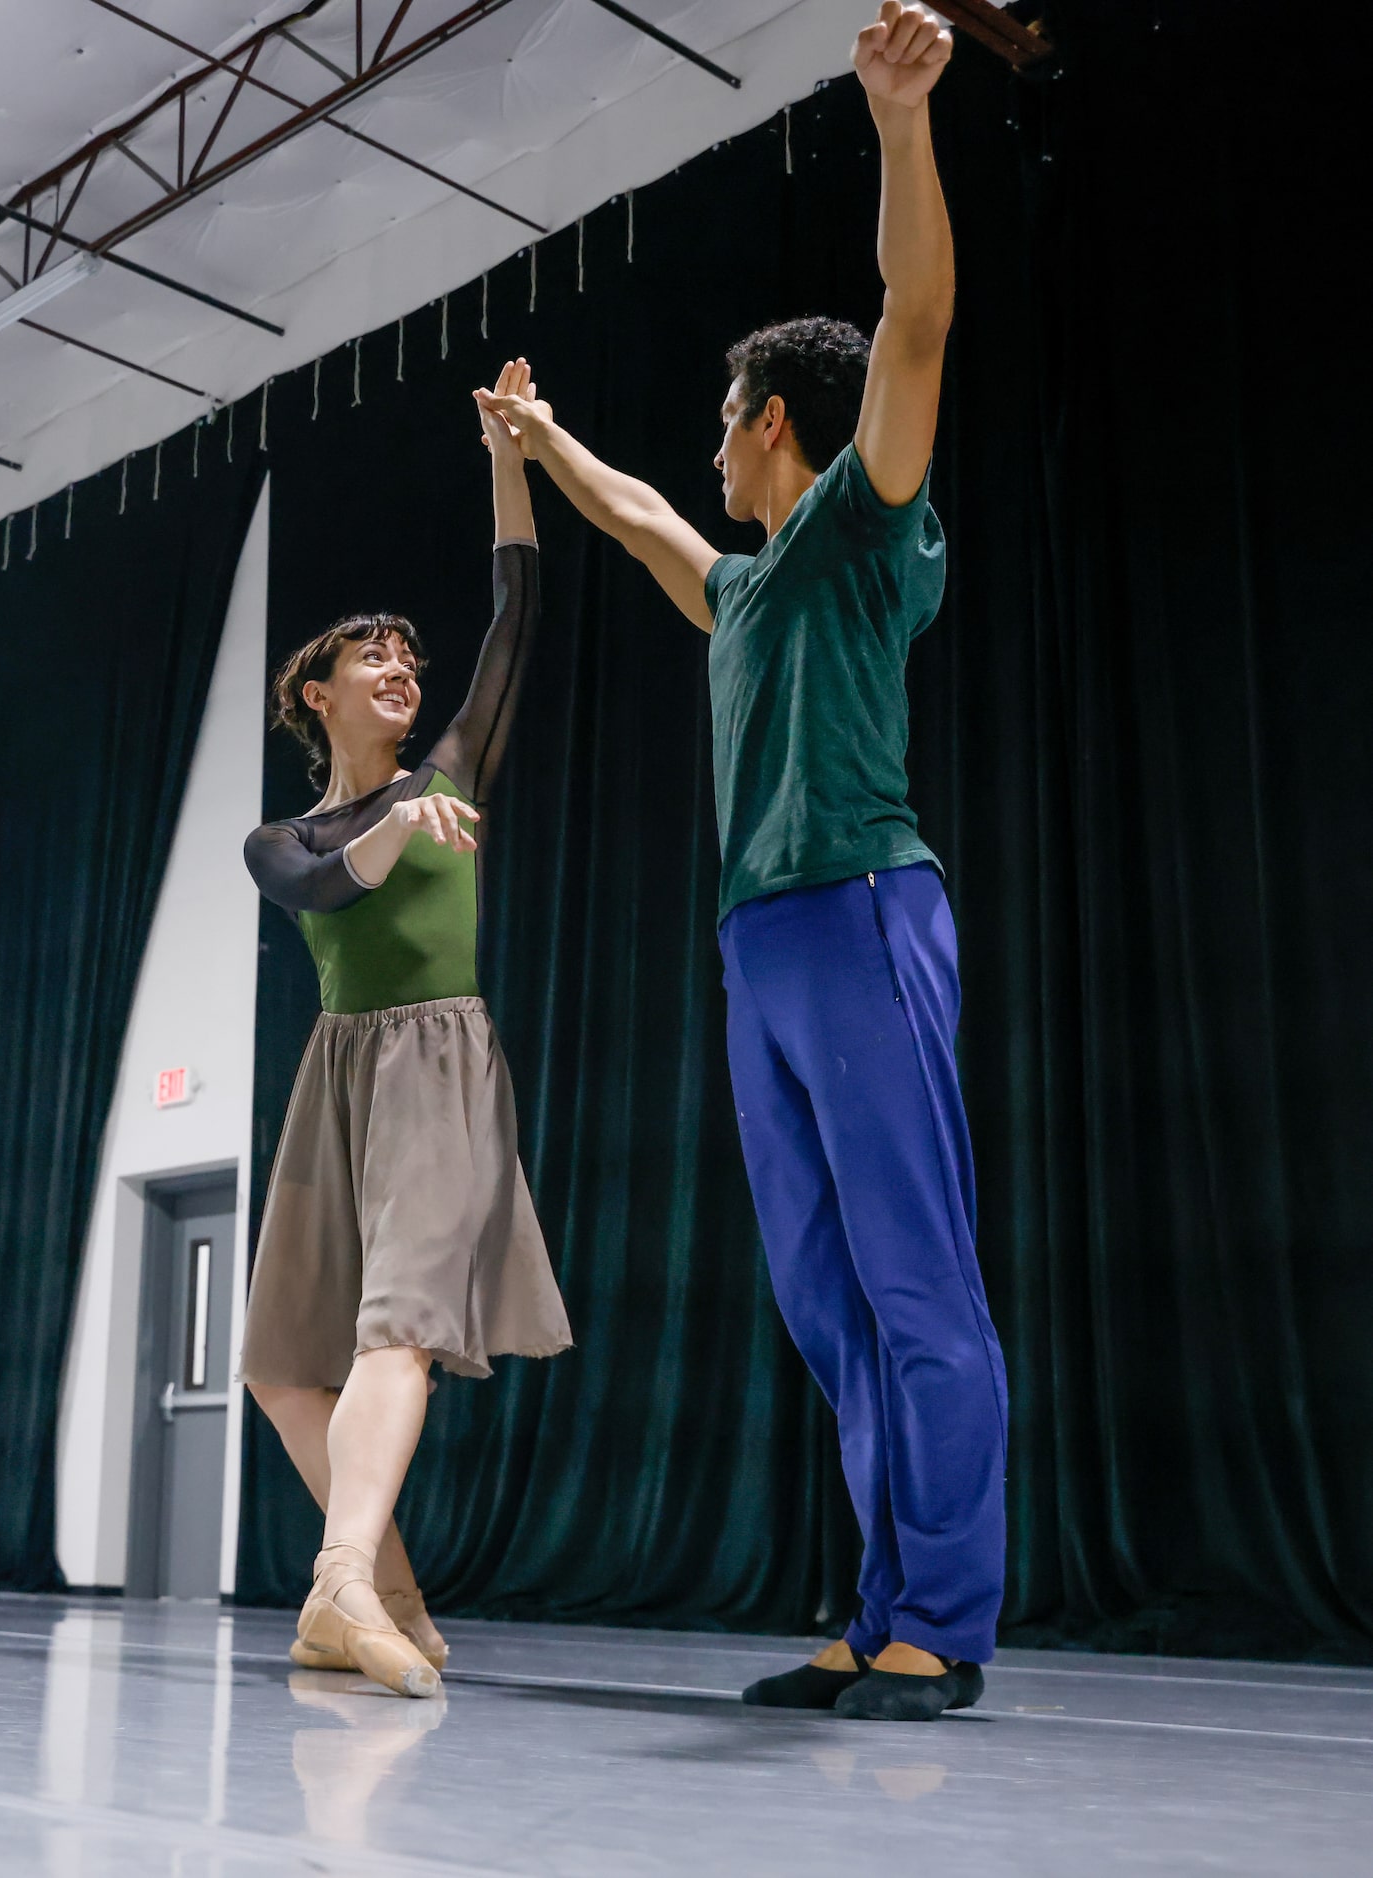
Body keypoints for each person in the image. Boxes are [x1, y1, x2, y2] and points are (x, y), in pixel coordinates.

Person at [477, 3, 1004, 1723]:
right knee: (827, 1298)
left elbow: (912, 321)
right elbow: (645, 520)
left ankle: (944, 1618)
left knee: (915, 1276)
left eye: (724, 418)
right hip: (759, 943)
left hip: (860, 906)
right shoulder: (748, 588)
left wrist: (901, 123)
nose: (710, 443)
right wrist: (541, 446)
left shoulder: (859, 522)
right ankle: (875, 1605)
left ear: (777, 418)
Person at [240, 359, 573, 1700]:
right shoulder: (283, 835)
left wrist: (510, 457)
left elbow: (514, 608)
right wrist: (390, 824)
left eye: (406, 656)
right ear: (313, 691)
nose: (400, 664)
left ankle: (333, 1584)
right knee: (275, 1364)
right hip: (336, 1079)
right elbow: (327, 880)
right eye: (369, 652)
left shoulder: (452, 772)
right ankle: (390, 1597)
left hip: (438, 1063)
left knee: (400, 1327)